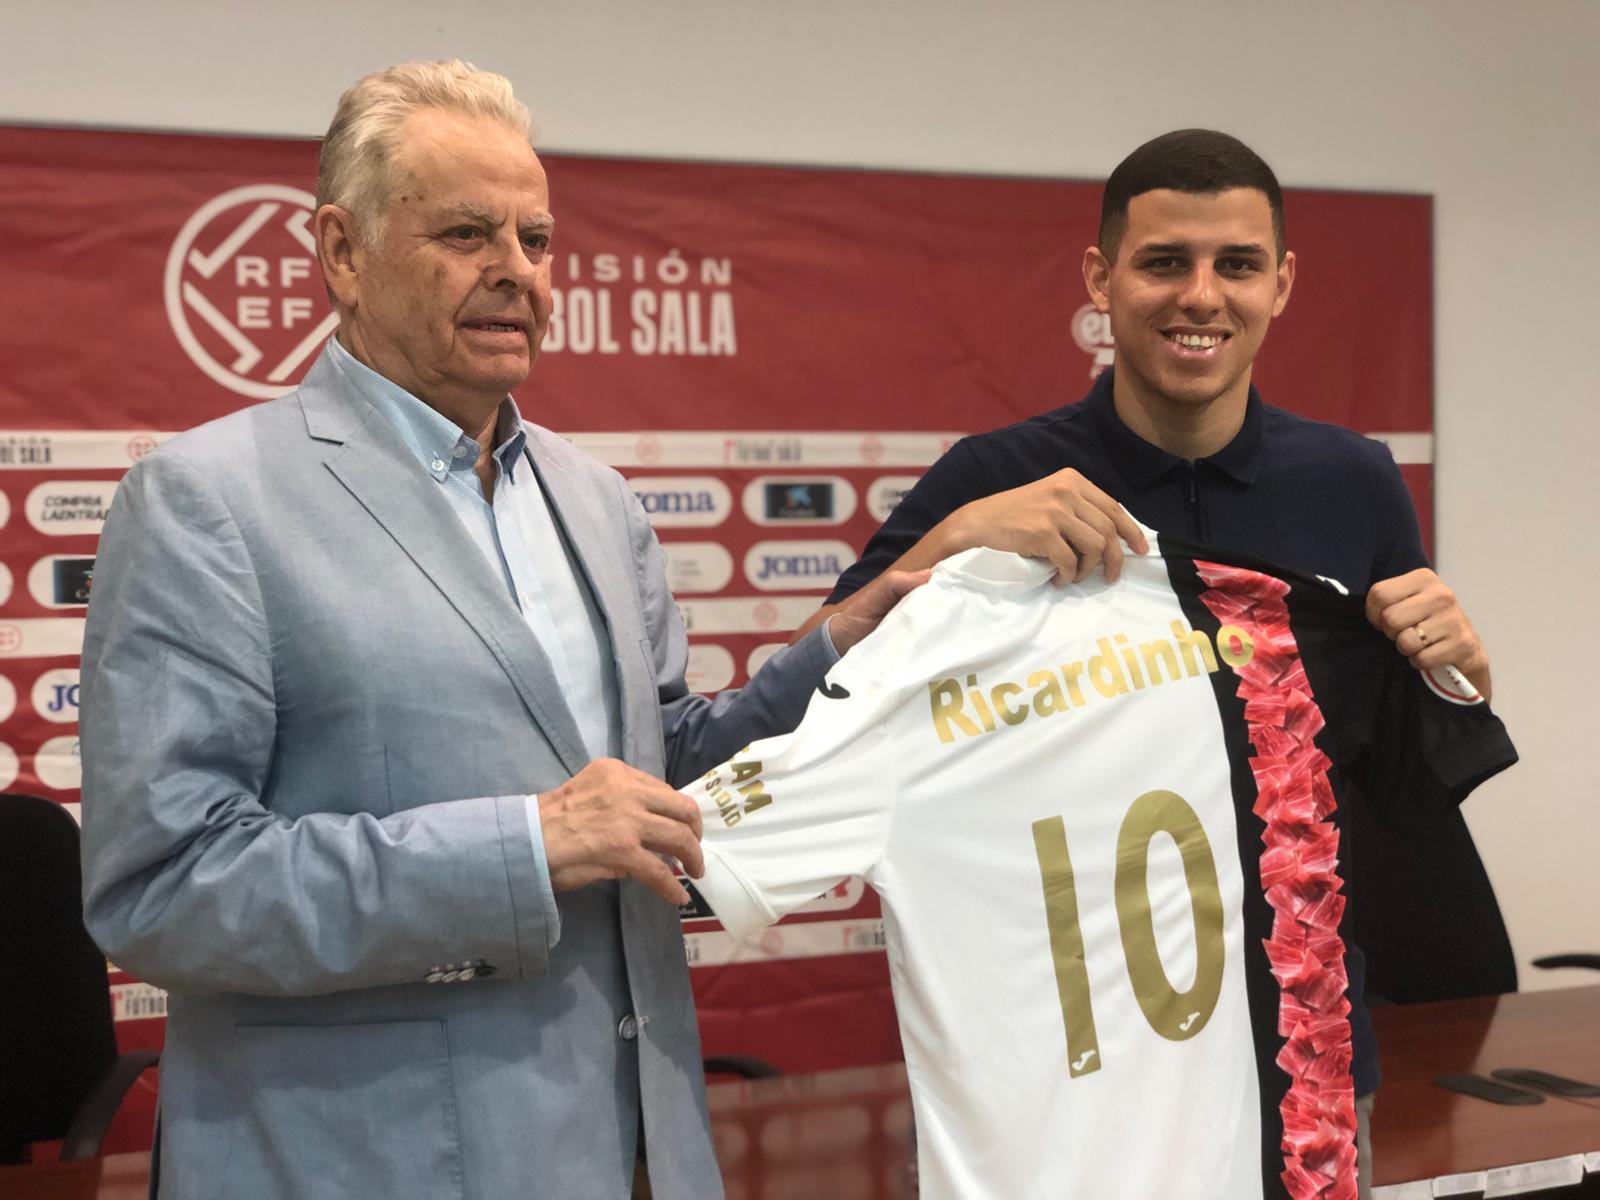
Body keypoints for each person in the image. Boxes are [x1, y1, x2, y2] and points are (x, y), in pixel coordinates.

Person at [78, 61, 912, 1200]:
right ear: (340, 252)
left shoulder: (596, 499)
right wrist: (524, 847)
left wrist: (843, 645)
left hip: (633, 1154)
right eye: (467, 233)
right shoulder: (206, 500)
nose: (514, 271)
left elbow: (652, 776)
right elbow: (166, 888)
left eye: (536, 237)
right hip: (359, 1166)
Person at [805, 128, 1494, 1198]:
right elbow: (821, 703)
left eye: (1237, 264)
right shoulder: (996, 479)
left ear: (1282, 284)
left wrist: (1455, 673)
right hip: (1062, 1083)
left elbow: (1396, 780)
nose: (1200, 297)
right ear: (1100, 278)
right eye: (1164, 261)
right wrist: (951, 544)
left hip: (1300, 1073)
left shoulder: (1353, 483)